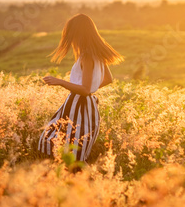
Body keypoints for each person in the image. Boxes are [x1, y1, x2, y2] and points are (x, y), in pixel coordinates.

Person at [38, 13, 123, 163]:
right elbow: (108, 79)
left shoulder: (87, 56)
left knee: (55, 142)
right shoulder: (96, 54)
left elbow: (84, 89)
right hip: (87, 105)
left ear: (78, 34)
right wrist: (90, 88)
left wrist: (61, 82)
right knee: (73, 147)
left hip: (78, 105)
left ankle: (73, 179)